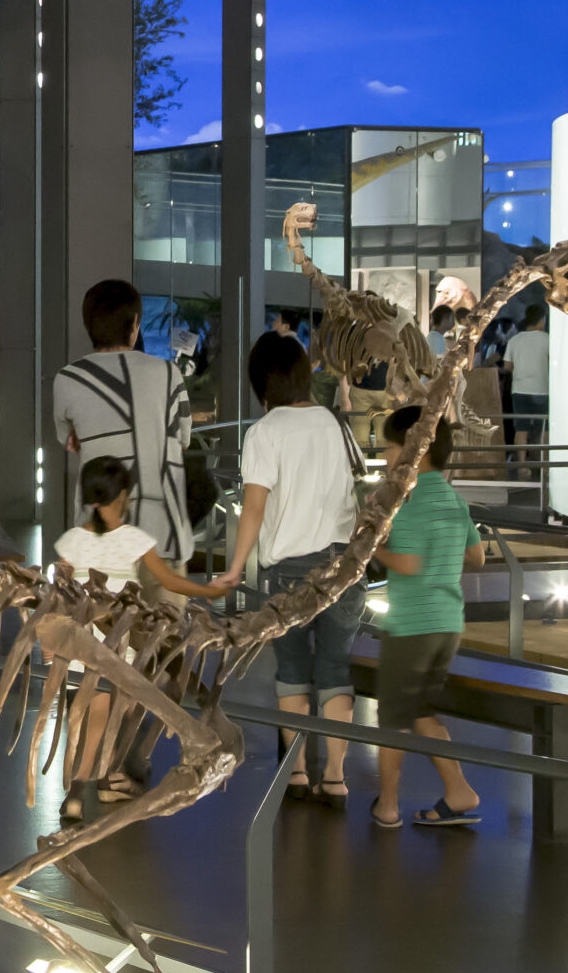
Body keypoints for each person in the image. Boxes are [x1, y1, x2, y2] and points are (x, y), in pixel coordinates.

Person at [222, 330, 368, 805]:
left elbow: (255, 508)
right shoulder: (333, 423)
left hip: (288, 572)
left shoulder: (266, 431)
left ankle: (299, 772)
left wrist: (235, 567)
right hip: (344, 567)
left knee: (290, 670)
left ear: (261, 383)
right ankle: (338, 778)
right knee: (335, 667)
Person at [52, 456, 231, 820]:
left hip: (82, 642)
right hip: (113, 647)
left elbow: (62, 587)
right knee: (107, 714)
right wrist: (209, 591)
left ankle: (96, 782)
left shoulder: (71, 540)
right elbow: (169, 581)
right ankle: (78, 791)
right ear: (125, 497)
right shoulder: (135, 539)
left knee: (92, 714)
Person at [370, 405, 486, 829]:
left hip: (412, 625)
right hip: (448, 623)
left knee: (393, 720)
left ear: (415, 449)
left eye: (390, 446)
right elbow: (477, 556)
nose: (386, 455)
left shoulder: (412, 500)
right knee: (421, 712)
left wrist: (373, 549)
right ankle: (459, 792)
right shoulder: (453, 498)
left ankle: (387, 806)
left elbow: (410, 564)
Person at [53, 280, 200, 558]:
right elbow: (183, 439)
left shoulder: (67, 379)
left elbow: (68, 441)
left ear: (89, 326)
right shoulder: (169, 374)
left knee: (100, 601)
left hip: (99, 538)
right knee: (163, 600)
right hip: (162, 534)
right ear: (135, 324)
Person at [503, 306, 549, 480]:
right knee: (543, 429)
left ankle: (522, 466)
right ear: (541, 320)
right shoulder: (547, 340)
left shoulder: (515, 340)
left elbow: (507, 366)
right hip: (542, 390)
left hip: (520, 391)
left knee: (521, 428)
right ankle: (544, 465)